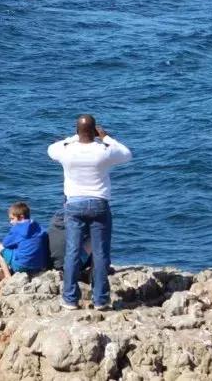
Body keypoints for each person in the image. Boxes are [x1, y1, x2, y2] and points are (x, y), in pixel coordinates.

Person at [48, 114, 132, 311]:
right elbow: (127, 154)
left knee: (72, 251)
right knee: (101, 253)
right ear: (95, 131)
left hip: (74, 205)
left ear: (78, 131)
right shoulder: (104, 152)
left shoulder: (67, 152)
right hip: (99, 204)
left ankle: (70, 299)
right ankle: (100, 299)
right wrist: (106, 138)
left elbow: (51, 149)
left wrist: (72, 138)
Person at [0, 202, 50, 284]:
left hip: (21, 266)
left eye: (12, 219)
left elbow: (5, 244)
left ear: (21, 217)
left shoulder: (17, 228)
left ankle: (7, 276)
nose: (10, 222)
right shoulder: (39, 227)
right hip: (39, 265)